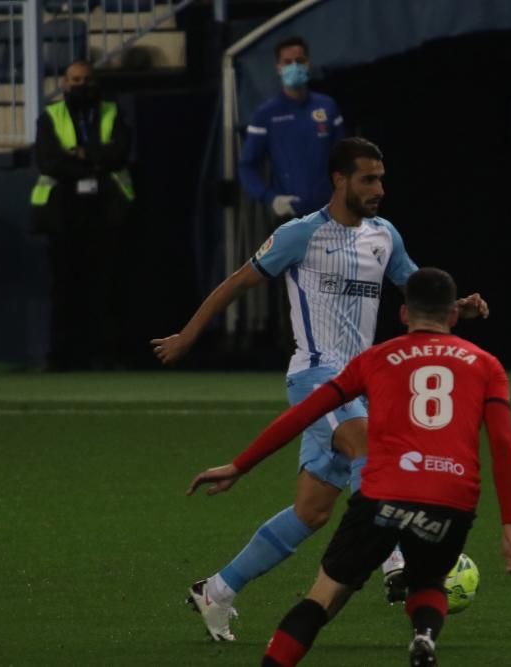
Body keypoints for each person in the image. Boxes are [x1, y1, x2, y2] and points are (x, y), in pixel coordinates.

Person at [151, 138, 489, 642]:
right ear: (339, 180)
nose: (379, 189)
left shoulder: (384, 236)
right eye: (368, 179)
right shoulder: (301, 234)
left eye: (381, 178)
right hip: (315, 377)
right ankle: (396, 561)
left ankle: (216, 590)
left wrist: (457, 306)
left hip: (361, 385)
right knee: (372, 450)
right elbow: (236, 283)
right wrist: (187, 336)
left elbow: (418, 291)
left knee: (311, 512)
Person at [186, 267, 511, 666]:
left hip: (382, 497)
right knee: (430, 580)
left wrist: (241, 465)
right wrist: (509, 525)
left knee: (323, 597)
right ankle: (423, 635)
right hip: (450, 499)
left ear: (404, 314)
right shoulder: (486, 364)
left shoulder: (377, 359)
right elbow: (503, 445)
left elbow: (304, 414)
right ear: (453, 315)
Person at [30, 59, 134, 371]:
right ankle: (62, 357)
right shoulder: (50, 116)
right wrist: (93, 163)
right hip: (63, 212)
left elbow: (120, 152)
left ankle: (106, 355)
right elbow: (48, 161)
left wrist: (84, 154)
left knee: (106, 286)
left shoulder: (112, 112)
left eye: (86, 80)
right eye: (75, 80)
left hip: (106, 210)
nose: (81, 85)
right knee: (64, 287)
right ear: (65, 83)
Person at [239, 36, 345, 219]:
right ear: (278, 68)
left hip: (331, 212)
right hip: (291, 214)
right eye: (287, 62)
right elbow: (247, 165)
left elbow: (346, 158)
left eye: (299, 61)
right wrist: (270, 198)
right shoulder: (266, 114)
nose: (294, 66)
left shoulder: (327, 107)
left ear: (308, 64)